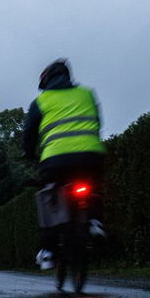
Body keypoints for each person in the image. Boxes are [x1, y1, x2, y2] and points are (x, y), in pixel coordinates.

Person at [21, 59, 106, 269]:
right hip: (90, 154)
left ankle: (48, 250)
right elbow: (97, 121)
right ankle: (95, 221)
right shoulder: (87, 94)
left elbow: (29, 133)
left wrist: (29, 154)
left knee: (49, 197)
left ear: (46, 81)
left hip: (55, 159)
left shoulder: (41, 101)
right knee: (94, 186)